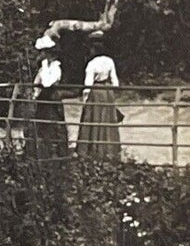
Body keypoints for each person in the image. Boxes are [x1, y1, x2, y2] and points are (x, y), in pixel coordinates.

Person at [76, 30, 122, 159]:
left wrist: (85, 100)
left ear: (92, 48)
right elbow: (115, 82)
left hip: (95, 92)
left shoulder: (91, 64)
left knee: (92, 120)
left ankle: (91, 151)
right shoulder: (109, 61)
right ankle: (108, 151)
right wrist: (110, 93)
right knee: (106, 120)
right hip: (107, 92)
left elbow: (87, 85)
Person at [29, 32, 70, 159]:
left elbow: (47, 83)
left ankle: (56, 155)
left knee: (53, 129)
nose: (40, 55)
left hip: (52, 101)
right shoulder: (43, 69)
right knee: (41, 128)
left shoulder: (55, 68)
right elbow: (37, 83)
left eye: (42, 53)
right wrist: (34, 95)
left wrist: (44, 64)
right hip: (43, 101)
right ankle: (42, 154)